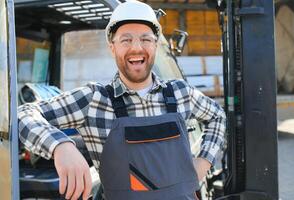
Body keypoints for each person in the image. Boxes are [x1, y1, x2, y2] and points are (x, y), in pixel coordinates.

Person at [18, 1, 226, 200]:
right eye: (126, 40)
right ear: (112, 47)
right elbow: (23, 114)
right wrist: (60, 145)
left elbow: (217, 115)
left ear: (155, 45)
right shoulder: (93, 100)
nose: (136, 48)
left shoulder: (181, 93)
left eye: (145, 39)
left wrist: (204, 162)